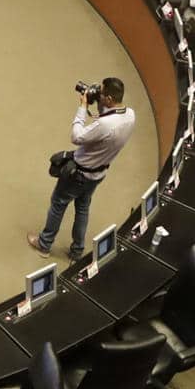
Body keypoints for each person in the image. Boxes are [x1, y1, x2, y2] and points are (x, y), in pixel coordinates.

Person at [29, 77, 135, 258]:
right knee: (83, 207)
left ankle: (44, 244)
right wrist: (99, 105)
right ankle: (77, 250)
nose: (98, 94)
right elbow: (105, 119)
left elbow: (77, 137)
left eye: (101, 93)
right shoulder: (130, 114)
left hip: (78, 174)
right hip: (99, 173)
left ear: (109, 98)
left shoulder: (105, 125)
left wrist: (83, 107)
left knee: (58, 204)